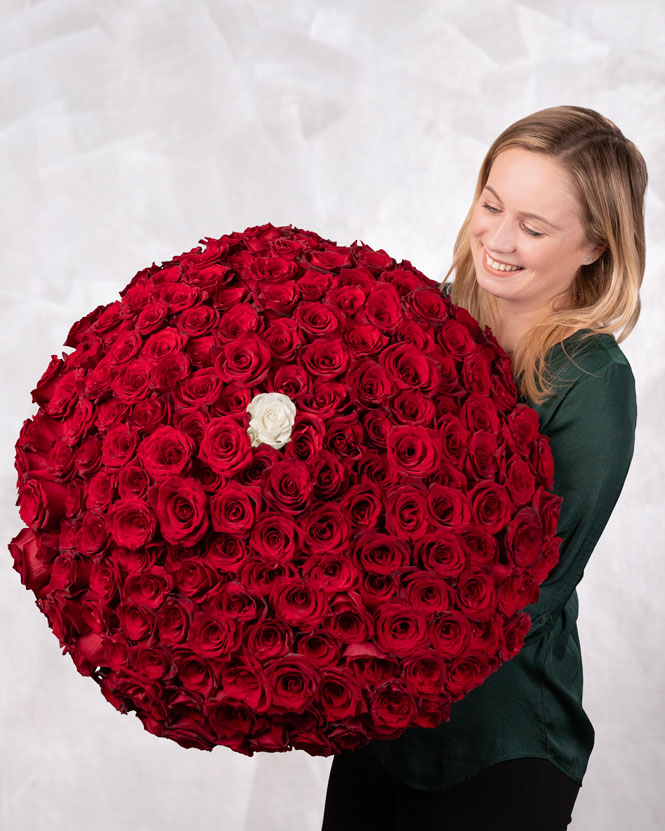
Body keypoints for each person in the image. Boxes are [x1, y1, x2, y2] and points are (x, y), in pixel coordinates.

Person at [321, 105, 647, 831]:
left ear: (594, 243)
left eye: (533, 227)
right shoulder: (424, 320)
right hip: (377, 725)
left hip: (501, 744)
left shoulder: (591, 383)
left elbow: (527, 590)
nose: (497, 238)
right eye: (490, 204)